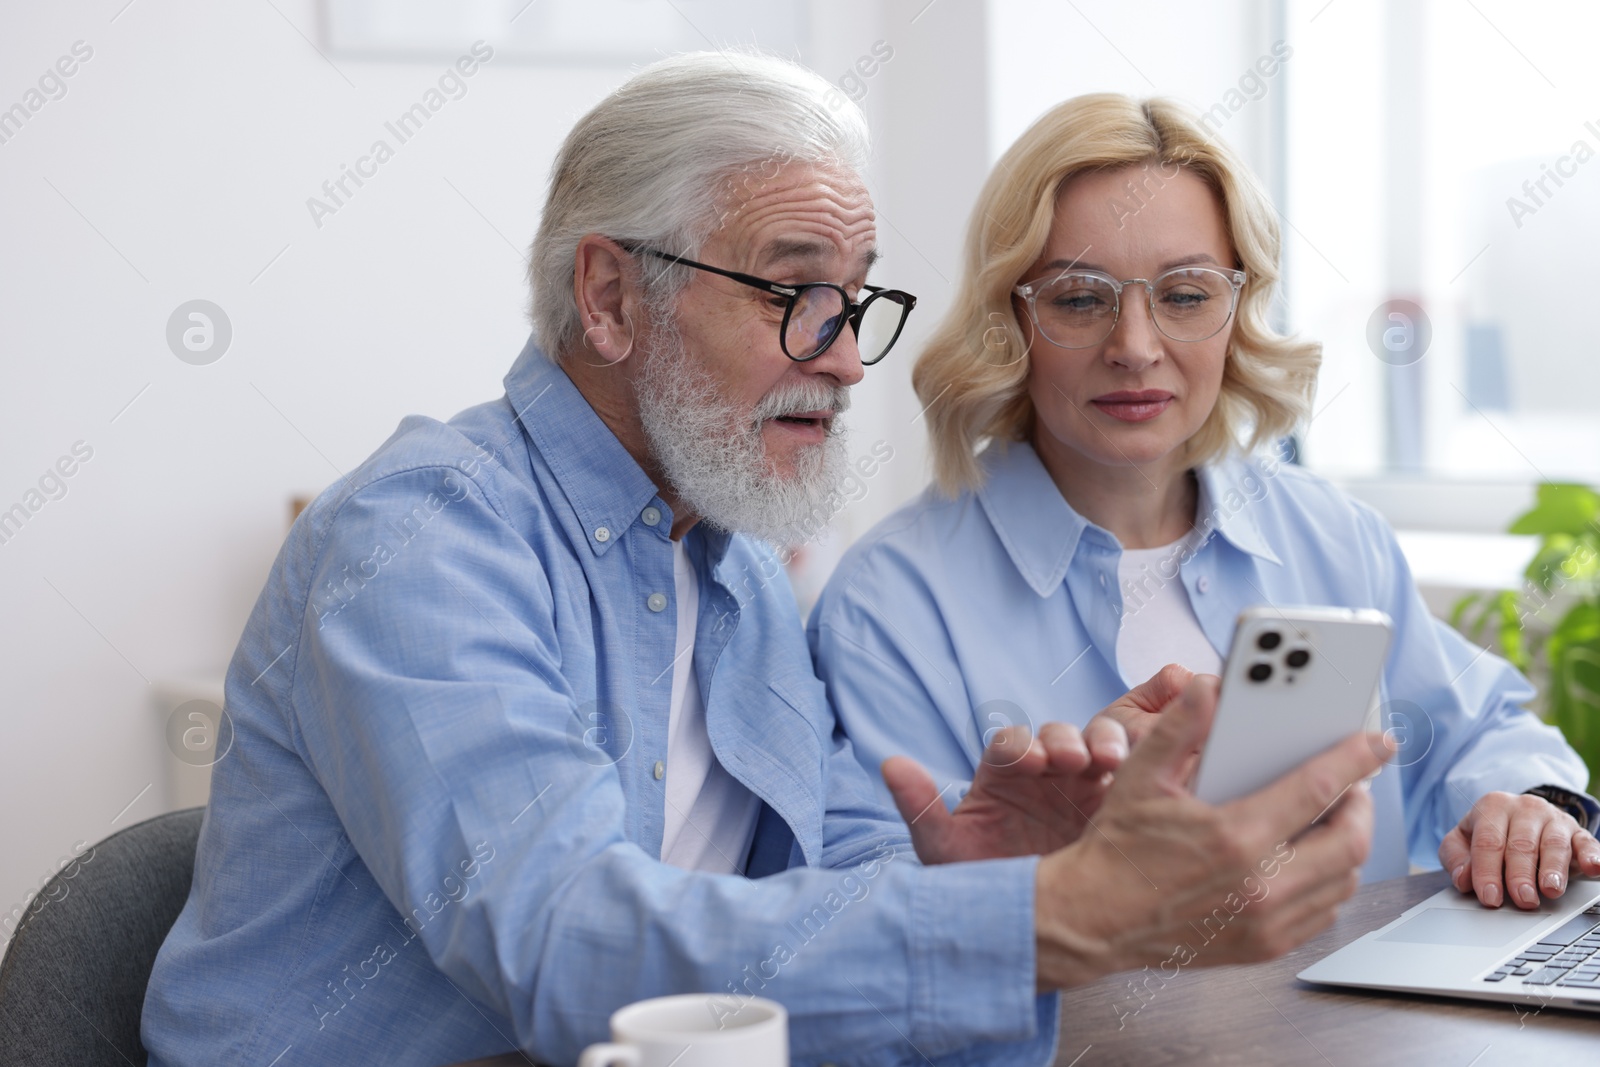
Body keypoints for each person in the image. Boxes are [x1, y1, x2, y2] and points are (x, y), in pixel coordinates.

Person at [142, 62, 1389, 1067]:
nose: (847, 359)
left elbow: (815, 904)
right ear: (611, 298)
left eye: (855, 302)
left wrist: (992, 872)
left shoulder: (736, 571)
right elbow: (566, 943)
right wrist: (1044, 919)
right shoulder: (421, 533)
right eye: (795, 293)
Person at [809, 92, 1600, 914]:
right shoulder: (889, 604)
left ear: (1237, 310)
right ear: (1011, 320)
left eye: (1185, 296)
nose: (1137, 348)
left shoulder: (1332, 538)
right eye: (1080, 299)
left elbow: (1483, 728)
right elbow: (865, 914)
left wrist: (1529, 805)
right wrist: (1051, 871)